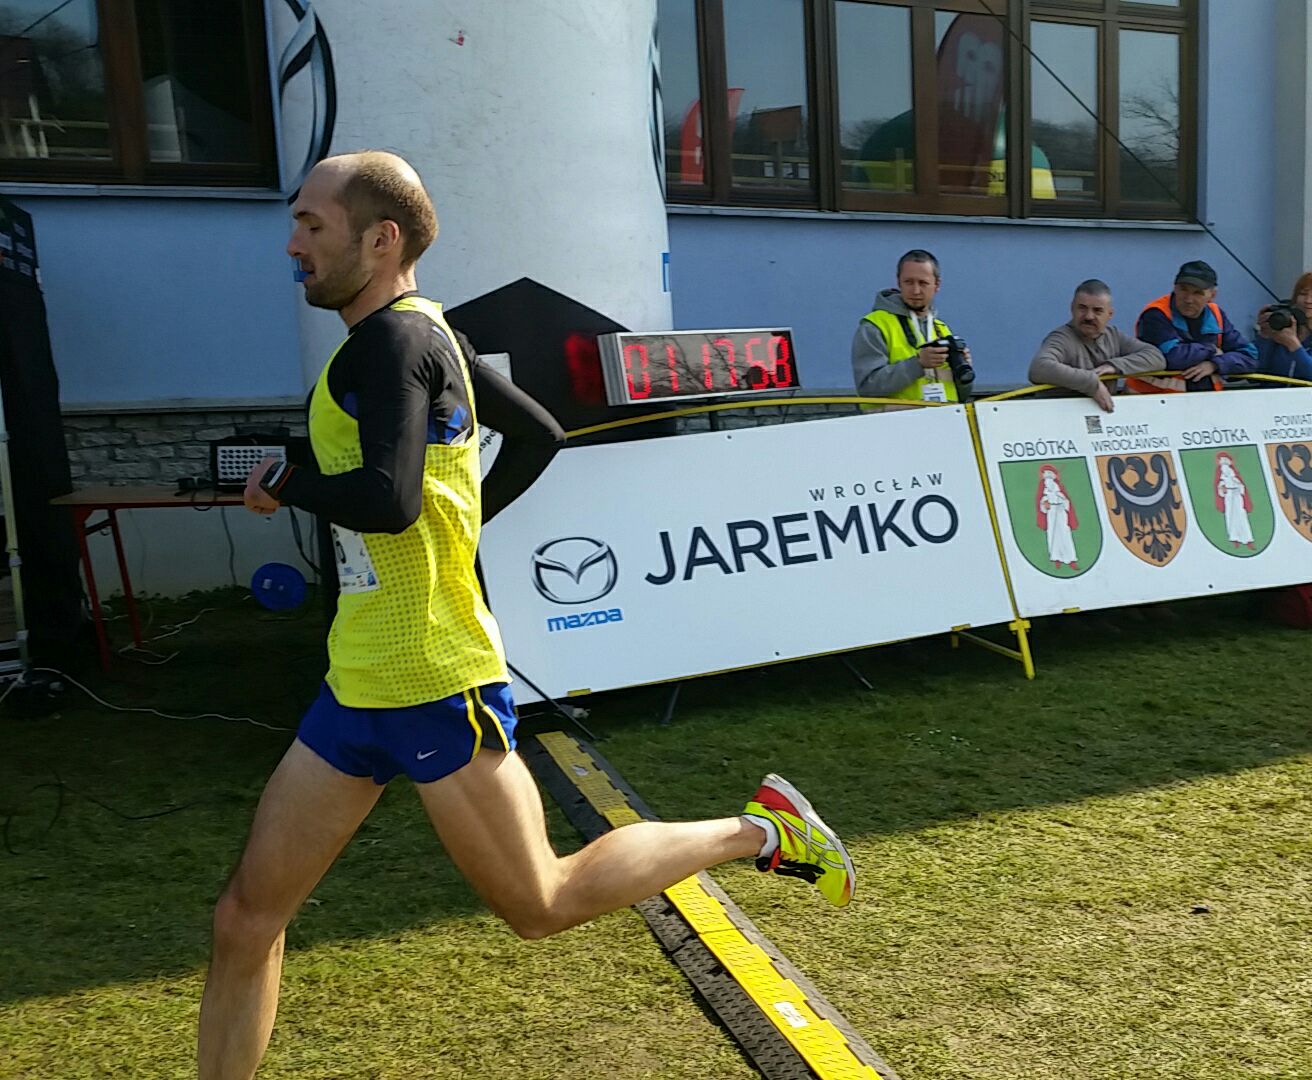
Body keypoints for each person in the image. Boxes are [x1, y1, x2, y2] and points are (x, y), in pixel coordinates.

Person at [201, 151, 855, 1080]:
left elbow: (390, 501)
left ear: (380, 240)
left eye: (312, 225)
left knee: (541, 901)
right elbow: (537, 435)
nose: (293, 245)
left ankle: (764, 832)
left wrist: (288, 482)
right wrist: (456, 528)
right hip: (358, 680)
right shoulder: (431, 335)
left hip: (434, 678)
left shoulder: (392, 344)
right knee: (245, 919)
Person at [851, 249, 971, 406]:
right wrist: (917, 364)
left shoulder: (941, 329)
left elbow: (961, 395)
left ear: (937, 285)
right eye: (908, 282)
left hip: (944, 418)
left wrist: (964, 372)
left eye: (923, 283)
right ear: (898, 282)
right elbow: (867, 387)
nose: (915, 291)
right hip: (896, 421)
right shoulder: (875, 326)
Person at [1028, 279, 1166, 412]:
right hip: (1061, 417)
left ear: (1109, 314)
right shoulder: (1061, 338)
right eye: (1082, 308)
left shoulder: (1113, 335)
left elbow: (1156, 357)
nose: (1089, 316)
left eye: (1097, 310)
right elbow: (1039, 368)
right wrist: (1092, 384)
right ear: (1072, 308)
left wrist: (1114, 366)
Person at [1133, 259, 1258, 392]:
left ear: (1212, 295)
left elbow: (1250, 356)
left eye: (1198, 293)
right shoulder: (1156, 314)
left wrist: (1215, 364)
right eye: (1183, 289)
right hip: (1152, 399)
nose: (1188, 299)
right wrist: (1212, 350)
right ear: (1175, 288)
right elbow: (1172, 358)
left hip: (1206, 400)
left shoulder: (1216, 314)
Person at [1249, 271, 1312, 384]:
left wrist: (1294, 346)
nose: (1308, 301)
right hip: (1272, 394)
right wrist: (1264, 337)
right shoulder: (1281, 327)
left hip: (1309, 395)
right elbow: (1254, 373)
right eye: (1303, 294)